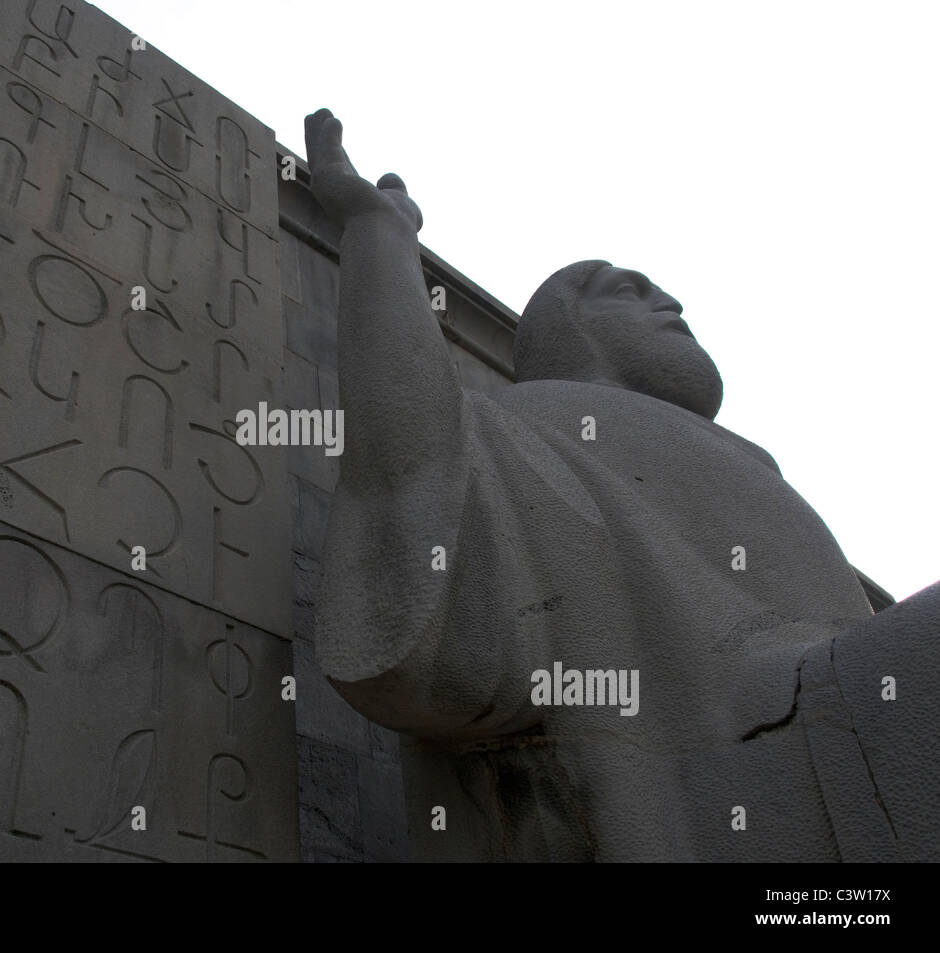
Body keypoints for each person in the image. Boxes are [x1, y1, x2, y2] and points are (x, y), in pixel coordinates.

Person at [305, 108, 939, 861]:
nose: (669, 305)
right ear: (566, 329)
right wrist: (380, 241)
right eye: (627, 290)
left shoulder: (755, 466)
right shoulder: (525, 427)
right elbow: (406, 476)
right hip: (729, 774)